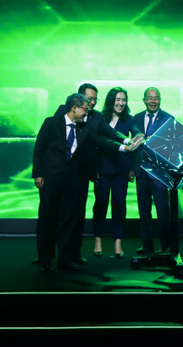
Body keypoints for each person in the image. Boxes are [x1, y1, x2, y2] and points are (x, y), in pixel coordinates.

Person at [32, 94, 125, 272]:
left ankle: (65, 260)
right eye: (84, 108)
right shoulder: (51, 123)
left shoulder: (84, 128)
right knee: (47, 219)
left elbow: (101, 141)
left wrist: (124, 147)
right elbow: (39, 150)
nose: (87, 112)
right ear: (74, 108)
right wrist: (38, 174)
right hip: (50, 180)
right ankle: (45, 259)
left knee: (68, 221)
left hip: (71, 182)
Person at [53, 83, 141, 266]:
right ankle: (53, 256)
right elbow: (48, 144)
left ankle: (74, 256)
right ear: (76, 103)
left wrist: (126, 143)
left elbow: (105, 137)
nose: (91, 103)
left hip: (97, 171)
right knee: (69, 213)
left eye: (94, 99)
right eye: (88, 99)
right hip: (73, 171)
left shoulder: (97, 118)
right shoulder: (62, 114)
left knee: (88, 212)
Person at [92, 87, 136, 258]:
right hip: (101, 169)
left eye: (123, 100)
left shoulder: (129, 119)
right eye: (118, 100)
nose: (121, 103)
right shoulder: (100, 118)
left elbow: (135, 137)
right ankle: (98, 240)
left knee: (119, 205)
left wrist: (131, 168)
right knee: (100, 204)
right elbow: (94, 143)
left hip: (121, 170)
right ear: (111, 101)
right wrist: (93, 169)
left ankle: (118, 242)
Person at [131, 87, 174, 254]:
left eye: (156, 98)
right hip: (141, 172)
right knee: (144, 212)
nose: (153, 101)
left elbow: (172, 147)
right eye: (150, 98)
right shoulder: (136, 118)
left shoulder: (168, 119)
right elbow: (132, 146)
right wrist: (132, 169)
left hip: (159, 174)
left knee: (163, 212)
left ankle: (166, 245)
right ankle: (147, 245)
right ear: (144, 100)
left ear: (160, 100)